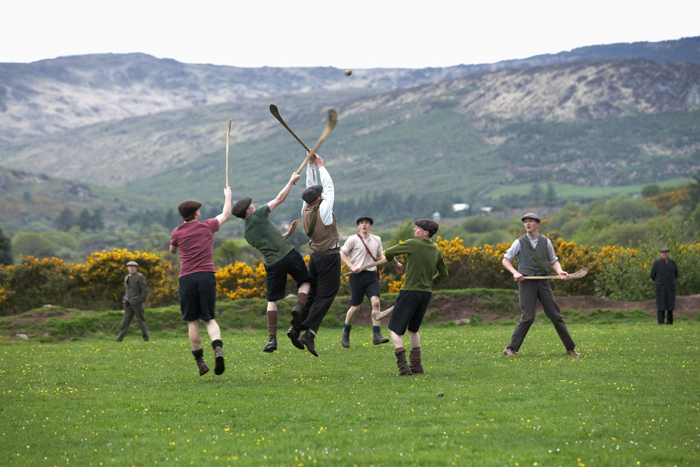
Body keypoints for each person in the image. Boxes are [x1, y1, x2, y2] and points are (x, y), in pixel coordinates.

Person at [231, 172, 312, 353]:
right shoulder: (259, 213)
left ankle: (272, 339)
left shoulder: (247, 235)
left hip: (273, 264)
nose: (253, 205)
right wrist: (292, 181)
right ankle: (299, 306)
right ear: (248, 211)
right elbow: (279, 198)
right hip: (289, 254)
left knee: (272, 300)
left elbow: (270, 245)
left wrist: (288, 234)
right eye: (250, 205)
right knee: (305, 282)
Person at [170, 187, 232, 376]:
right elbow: (226, 213)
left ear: (183, 217)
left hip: (187, 278)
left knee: (192, 321)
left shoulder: (177, 232)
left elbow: (172, 250)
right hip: (206, 275)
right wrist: (228, 195)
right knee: (209, 318)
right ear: (196, 213)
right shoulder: (208, 226)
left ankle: (200, 362)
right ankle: (218, 348)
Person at [501, 212, 579, 356]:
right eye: (525, 222)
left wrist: (560, 271)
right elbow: (506, 260)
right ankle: (510, 349)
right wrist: (515, 272)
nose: (527, 224)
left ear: (537, 224)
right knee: (528, 316)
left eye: (530, 221)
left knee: (555, 315)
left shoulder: (546, 242)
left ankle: (570, 349)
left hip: (543, 282)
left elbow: (553, 260)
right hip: (526, 283)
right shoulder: (519, 242)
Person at [287, 152, 340, 357]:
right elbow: (330, 188)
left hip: (315, 258)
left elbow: (311, 189)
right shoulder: (324, 209)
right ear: (319, 198)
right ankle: (309, 333)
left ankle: (296, 328)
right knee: (326, 295)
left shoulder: (305, 210)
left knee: (313, 294)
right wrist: (321, 166)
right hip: (329, 257)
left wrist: (310, 166)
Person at [383, 219, 448, 376]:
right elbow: (444, 273)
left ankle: (403, 367)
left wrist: (395, 262)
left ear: (426, 232)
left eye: (417, 229)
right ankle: (416, 366)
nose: (414, 231)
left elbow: (388, 252)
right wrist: (432, 282)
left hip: (409, 292)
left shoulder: (412, 244)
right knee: (413, 329)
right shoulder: (436, 250)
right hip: (425, 294)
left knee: (394, 329)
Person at [340, 216, 396, 347]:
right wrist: (351, 266)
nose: (364, 225)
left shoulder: (377, 239)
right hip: (356, 276)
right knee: (355, 307)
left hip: (372, 275)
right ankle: (346, 332)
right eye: (361, 223)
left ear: (370, 226)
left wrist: (385, 259)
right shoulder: (352, 239)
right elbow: (342, 253)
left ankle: (377, 335)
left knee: (376, 302)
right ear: (358, 226)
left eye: (367, 223)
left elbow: (379, 255)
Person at [115, 260, 149, 342]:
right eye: (130, 267)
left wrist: (140, 300)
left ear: (136, 268)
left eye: (133, 267)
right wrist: (125, 298)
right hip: (127, 303)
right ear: (127, 268)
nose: (131, 268)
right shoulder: (126, 277)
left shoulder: (140, 276)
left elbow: (145, 290)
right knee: (125, 322)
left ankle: (146, 338)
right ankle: (119, 339)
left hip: (137, 303)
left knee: (141, 321)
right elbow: (128, 290)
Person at [650, 247, 679, 325]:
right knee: (660, 305)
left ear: (668, 254)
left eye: (666, 253)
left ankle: (670, 322)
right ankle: (661, 322)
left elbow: (676, 274)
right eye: (663, 253)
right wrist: (659, 282)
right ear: (660, 254)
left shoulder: (673, 263)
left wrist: (670, 281)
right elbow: (652, 275)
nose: (664, 254)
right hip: (660, 287)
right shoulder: (656, 263)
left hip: (670, 287)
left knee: (670, 305)